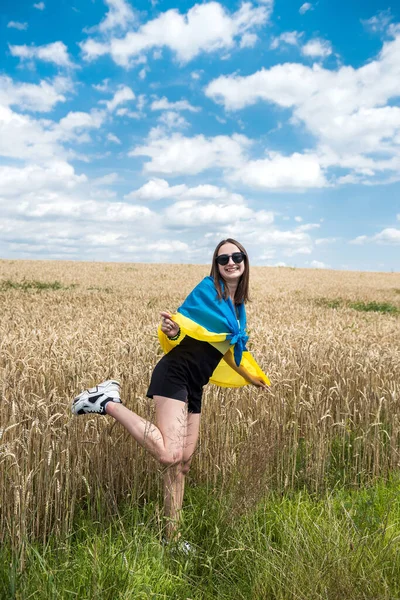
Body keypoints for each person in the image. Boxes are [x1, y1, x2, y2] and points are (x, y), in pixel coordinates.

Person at [72, 238, 269, 544]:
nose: (231, 262)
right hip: (175, 374)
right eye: (223, 259)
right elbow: (182, 323)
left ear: (245, 261)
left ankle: (171, 540)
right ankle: (107, 401)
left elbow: (226, 347)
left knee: (183, 463)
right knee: (169, 454)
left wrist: (249, 375)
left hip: (195, 384)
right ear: (215, 266)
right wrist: (173, 330)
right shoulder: (207, 291)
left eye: (237, 256)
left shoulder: (237, 307)